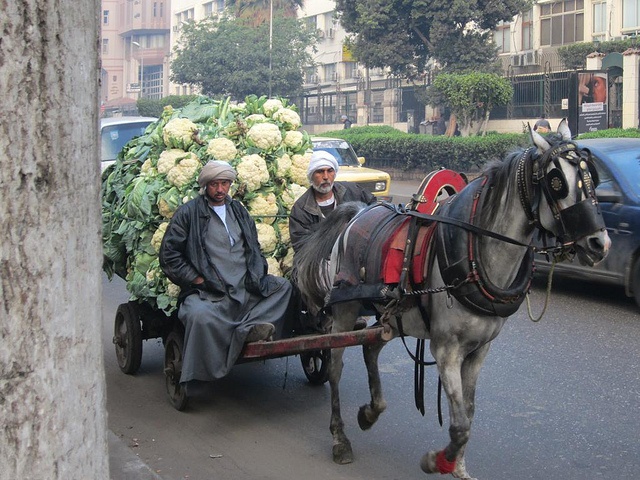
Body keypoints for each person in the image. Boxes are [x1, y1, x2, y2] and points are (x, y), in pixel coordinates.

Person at [159, 160, 293, 389]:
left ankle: (246, 330)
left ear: (230, 184)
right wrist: (197, 279)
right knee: (198, 316)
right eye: (214, 184)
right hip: (212, 292)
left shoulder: (239, 210)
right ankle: (205, 368)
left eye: (225, 183)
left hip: (246, 286)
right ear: (205, 186)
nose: (220, 190)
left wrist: (258, 271)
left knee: (284, 288)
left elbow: (254, 247)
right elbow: (169, 255)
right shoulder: (188, 213)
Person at [289, 150, 376, 252]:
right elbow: (301, 246)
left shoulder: (353, 190)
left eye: (330, 171)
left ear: (334, 173)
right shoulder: (301, 209)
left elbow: (374, 207)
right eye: (320, 171)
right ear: (311, 176)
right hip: (321, 259)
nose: (325, 177)